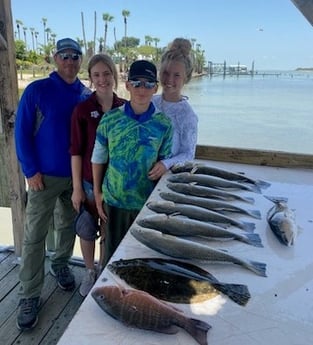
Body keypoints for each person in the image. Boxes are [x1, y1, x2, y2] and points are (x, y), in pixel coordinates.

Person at [14, 37, 91, 331]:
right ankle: (28, 294)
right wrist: (30, 170)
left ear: (80, 60)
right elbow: (21, 133)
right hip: (41, 178)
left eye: (75, 56)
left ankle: (60, 264)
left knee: (68, 226)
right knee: (34, 236)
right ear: (55, 59)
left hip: (73, 179)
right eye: (64, 56)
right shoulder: (37, 90)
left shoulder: (85, 94)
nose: (70, 61)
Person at [91, 60, 173, 265]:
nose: (141, 89)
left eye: (148, 84)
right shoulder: (109, 120)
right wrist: (98, 192)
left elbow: (165, 161)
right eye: (136, 83)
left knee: (142, 259)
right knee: (112, 258)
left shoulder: (164, 124)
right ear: (127, 85)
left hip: (147, 205)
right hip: (114, 201)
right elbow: (98, 157)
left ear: (156, 87)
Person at [70, 54, 126, 297]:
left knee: (108, 228)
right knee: (86, 227)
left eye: (106, 73)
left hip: (114, 184)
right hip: (88, 182)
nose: (102, 79)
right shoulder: (82, 110)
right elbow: (75, 151)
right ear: (91, 79)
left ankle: (104, 268)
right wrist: (77, 188)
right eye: (96, 75)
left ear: (114, 75)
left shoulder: (125, 108)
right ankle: (90, 270)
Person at [152, 38, 198, 179]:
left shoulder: (188, 115)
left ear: (186, 78)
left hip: (167, 178)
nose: (169, 79)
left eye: (177, 75)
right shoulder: (150, 102)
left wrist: (166, 164)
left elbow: (188, 154)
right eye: (165, 73)